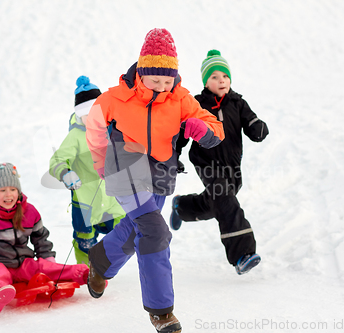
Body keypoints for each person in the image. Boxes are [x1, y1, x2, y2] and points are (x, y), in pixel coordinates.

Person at [84, 28, 224, 333]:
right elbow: (94, 125)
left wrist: (202, 129)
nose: (162, 87)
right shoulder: (117, 98)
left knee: (138, 229)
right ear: (141, 75)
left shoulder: (180, 98)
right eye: (155, 80)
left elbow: (214, 127)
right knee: (155, 232)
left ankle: (100, 261)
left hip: (160, 174)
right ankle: (161, 312)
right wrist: (99, 161)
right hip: (125, 171)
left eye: (167, 80)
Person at [171, 49, 269, 275]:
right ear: (206, 82)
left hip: (232, 164)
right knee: (223, 197)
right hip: (206, 161)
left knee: (220, 201)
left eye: (224, 76)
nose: (221, 80)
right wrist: (173, 156)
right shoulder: (196, 104)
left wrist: (258, 128)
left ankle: (182, 207)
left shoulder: (238, 103)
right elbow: (181, 133)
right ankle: (242, 254)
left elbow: (252, 123)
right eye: (214, 77)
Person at [0, 163, 89, 315]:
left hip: (24, 263)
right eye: (2, 190)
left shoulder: (29, 211)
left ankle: (84, 274)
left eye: (12, 189)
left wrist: (48, 262)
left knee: (44, 268)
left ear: (18, 191)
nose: (8, 194)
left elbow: (41, 239)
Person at [49, 76, 125, 265]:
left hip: (112, 197)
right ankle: (86, 269)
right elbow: (56, 160)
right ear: (80, 115)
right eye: (87, 114)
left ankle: (108, 263)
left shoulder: (114, 130)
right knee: (85, 238)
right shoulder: (75, 136)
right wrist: (66, 173)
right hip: (85, 198)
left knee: (122, 230)